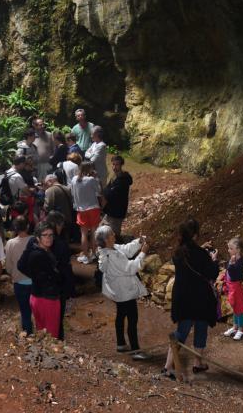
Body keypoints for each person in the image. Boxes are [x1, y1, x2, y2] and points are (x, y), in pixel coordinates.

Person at [163, 219, 218, 379]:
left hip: (182, 296)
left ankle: (168, 366)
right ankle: (197, 363)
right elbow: (211, 273)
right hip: (200, 297)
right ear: (195, 234)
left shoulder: (179, 252)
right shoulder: (202, 254)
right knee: (201, 327)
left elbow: (190, 257)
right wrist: (213, 260)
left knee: (182, 330)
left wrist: (201, 250)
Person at [96, 225, 150, 359]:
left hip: (119, 291)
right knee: (132, 318)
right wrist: (143, 253)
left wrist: (140, 241)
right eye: (112, 234)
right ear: (107, 240)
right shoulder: (111, 256)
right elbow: (130, 268)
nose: (115, 235)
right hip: (124, 292)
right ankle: (135, 351)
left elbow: (126, 249)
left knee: (121, 315)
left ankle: (121, 343)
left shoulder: (111, 249)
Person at [17, 222, 62, 339]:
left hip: (38, 296)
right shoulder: (39, 255)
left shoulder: (39, 250)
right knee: (51, 337)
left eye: (51, 235)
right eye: (45, 235)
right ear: (38, 237)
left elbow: (22, 266)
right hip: (47, 299)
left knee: (42, 333)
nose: (49, 238)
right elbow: (49, 277)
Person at [44, 211, 75, 339]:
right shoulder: (60, 244)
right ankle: (58, 341)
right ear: (56, 225)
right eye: (61, 225)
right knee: (57, 318)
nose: (62, 228)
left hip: (42, 286)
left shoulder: (38, 239)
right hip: (58, 286)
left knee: (45, 317)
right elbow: (66, 268)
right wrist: (70, 290)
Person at [4, 216, 33, 334]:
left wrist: (13, 274)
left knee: (25, 311)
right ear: (28, 226)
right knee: (37, 309)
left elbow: (8, 266)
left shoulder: (10, 243)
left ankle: (28, 334)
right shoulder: (35, 240)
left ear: (15, 228)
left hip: (19, 282)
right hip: (35, 281)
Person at [70, 162, 101, 264]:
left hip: (81, 209)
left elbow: (72, 193)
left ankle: (86, 256)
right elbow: (99, 191)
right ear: (90, 169)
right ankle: (94, 253)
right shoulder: (91, 180)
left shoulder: (74, 179)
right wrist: (96, 178)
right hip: (93, 208)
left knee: (83, 234)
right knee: (93, 233)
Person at [222, 237, 243, 341]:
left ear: (238, 249)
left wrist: (231, 265)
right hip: (231, 287)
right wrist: (230, 263)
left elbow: (234, 275)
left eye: (231, 248)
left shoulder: (240, 261)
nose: (229, 250)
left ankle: (241, 330)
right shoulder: (233, 259)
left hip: (237, 288)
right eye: (228, 248)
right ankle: (235, 327)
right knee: (234, 308)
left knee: (240, 309)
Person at [101, 155, 133, 239]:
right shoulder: (114, 177)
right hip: (110, 211)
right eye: (113, 164)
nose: (114, 167)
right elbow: (106, 191)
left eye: (117, 165)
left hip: (116, 211)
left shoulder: (123, 180)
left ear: (121, 165)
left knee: (114, 236)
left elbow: (109, 194)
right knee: (105, 233)